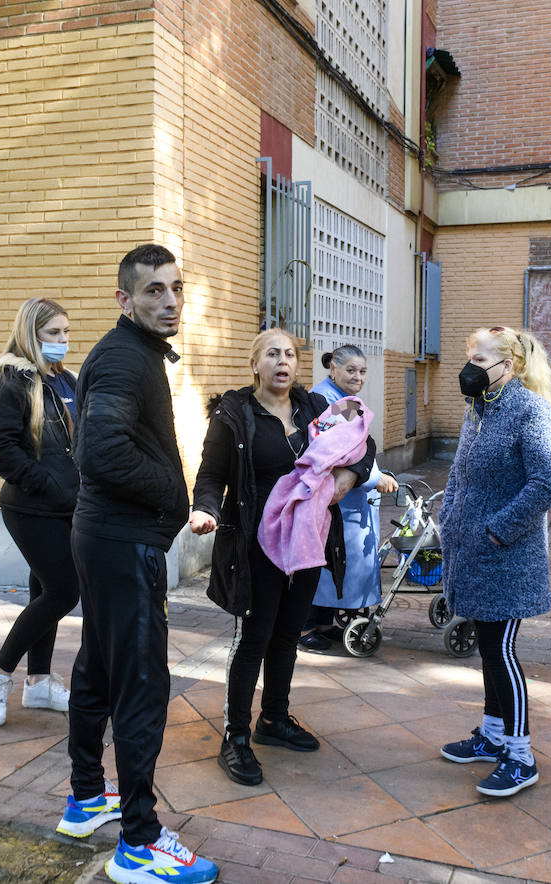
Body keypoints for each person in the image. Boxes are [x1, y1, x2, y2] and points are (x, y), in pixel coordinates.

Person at [59, 245, 217, 884]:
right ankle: (139, 845)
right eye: (153, 291)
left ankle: (86, 797)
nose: (170, 301)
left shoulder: (131, 353)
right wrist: (172, 495)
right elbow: (101, 454)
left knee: (99, 666)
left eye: (176, 288)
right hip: (123, 545)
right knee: (141, 686)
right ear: (124, 299)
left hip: (104, 539)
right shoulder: (126, 357)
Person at [189, 329, 375, 787]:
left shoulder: (313, 408)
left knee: (288, 633)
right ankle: (234, 736)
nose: (282, 361)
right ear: (255, 364)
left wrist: (349, 478)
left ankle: (273, 718)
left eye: (290, 354)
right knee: (253, 638)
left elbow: (362, 444)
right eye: (272, 354)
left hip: (308, 543)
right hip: (255, 545)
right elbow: (211, 475)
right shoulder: (236, 415)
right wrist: (204, 510)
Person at [437, 326, 551, 798]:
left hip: (507, 556)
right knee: (488, 647)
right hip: (472, 551)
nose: (470, 366)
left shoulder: (532, 411)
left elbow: (545, 485)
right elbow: (460, 471)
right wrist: (449, 516)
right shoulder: (479, 409)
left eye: (481, 358)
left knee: (501, 650)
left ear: (509, 366)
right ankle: (492, 736)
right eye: (469, 355)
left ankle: (521, 754)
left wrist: (495, 530)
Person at [0, 298, 80, 726]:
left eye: (66, 333)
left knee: (45, 593)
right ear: (29, 334)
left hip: (66, 506)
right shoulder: (13, 378)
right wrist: (47, 484)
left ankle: (38, 683)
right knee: (63, 591)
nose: (62, 342)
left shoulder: (66, 380)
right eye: (53, 334)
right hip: (31, 507)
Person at [299, 345, 399, 651]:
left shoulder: (342, 399)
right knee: (325, 560)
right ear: (333, 369)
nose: (357, 377)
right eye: (350, 370)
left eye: (362, 371)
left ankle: (324, 623)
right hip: (336, 495)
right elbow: (334, 450)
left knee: (337, 561)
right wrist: (373, 478)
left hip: (350, 496)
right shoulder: (325, 399)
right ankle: (305, 629)